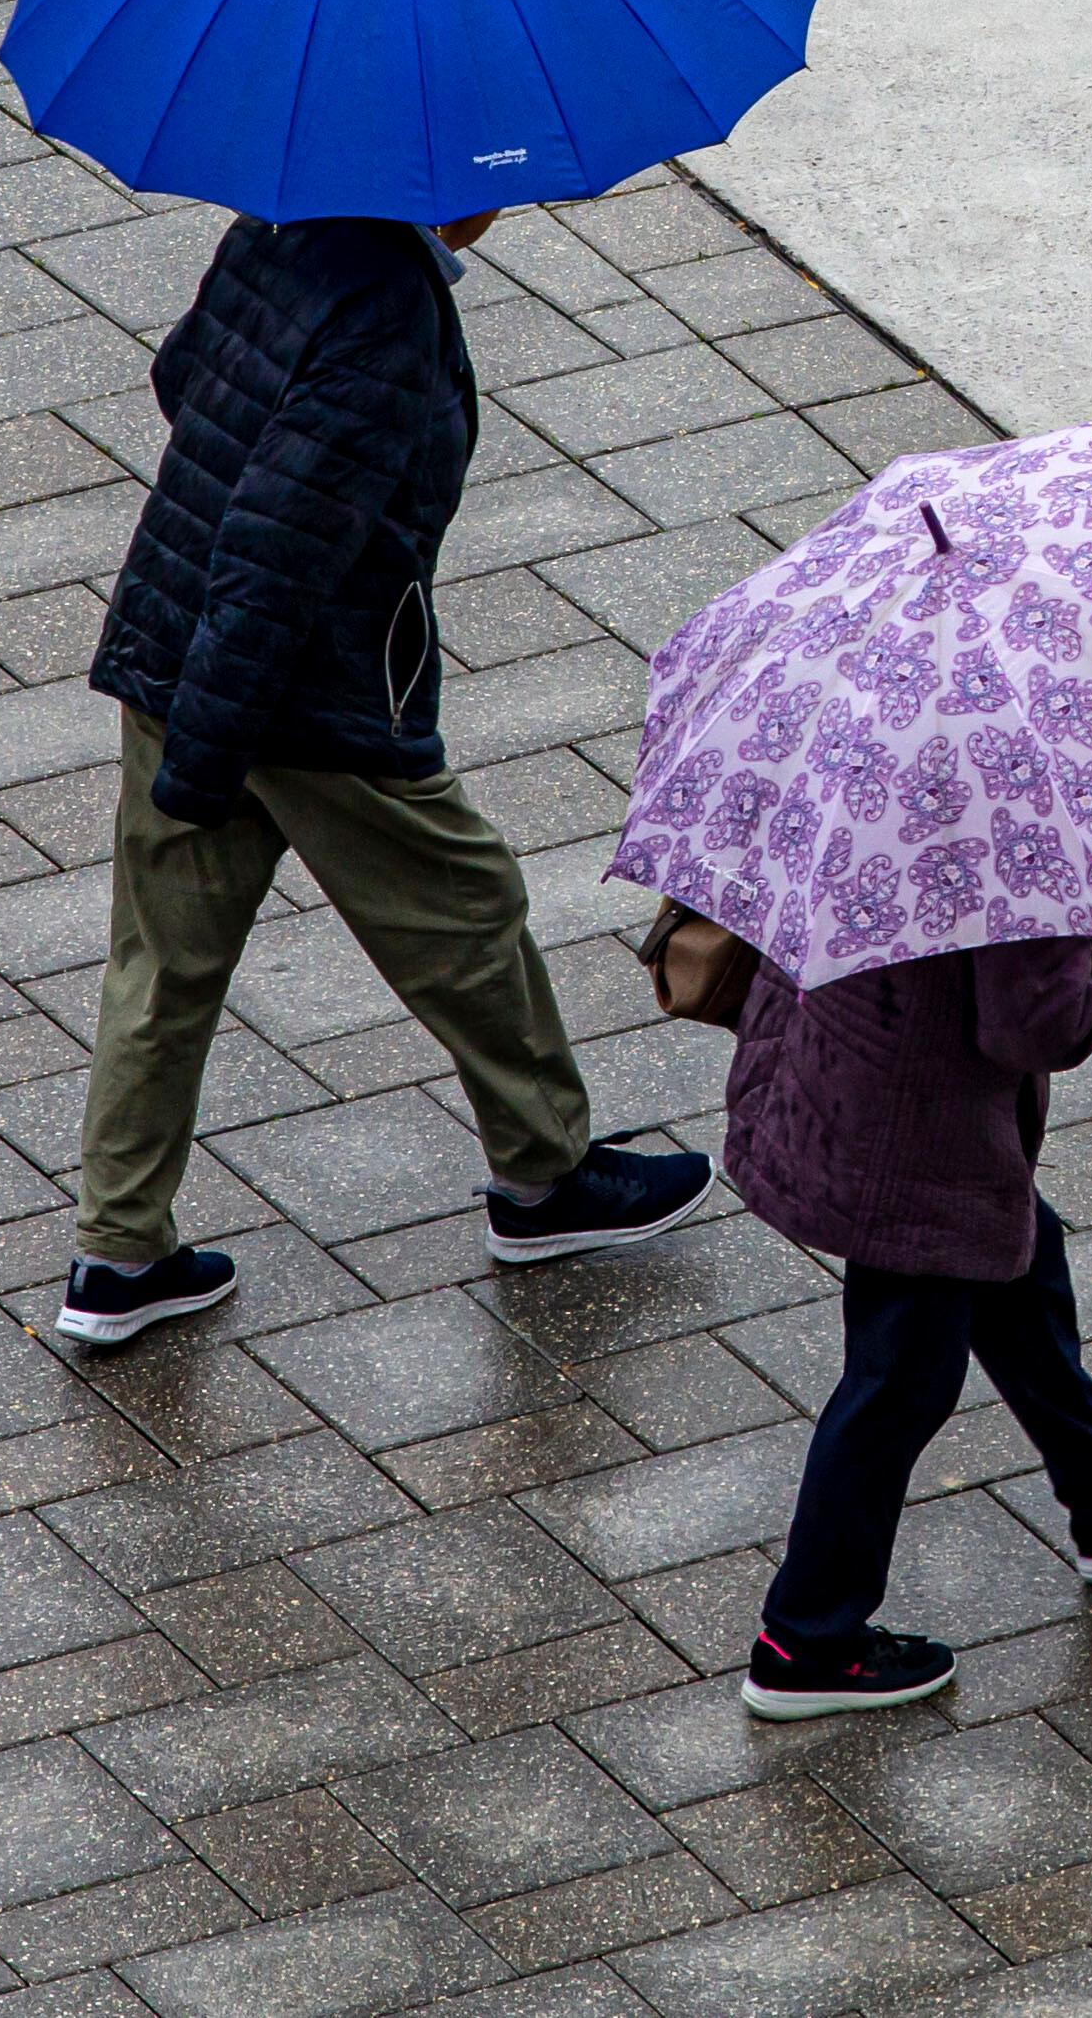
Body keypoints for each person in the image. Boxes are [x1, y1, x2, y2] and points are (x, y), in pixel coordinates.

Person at [58, 209, 711, 1345]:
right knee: (469, 910)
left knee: (161, 962)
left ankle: (118, 1255)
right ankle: (545, 1177)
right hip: (296, 694)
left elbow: (183, 372)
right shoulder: (387, 312)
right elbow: (279, 550)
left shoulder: (280, 217)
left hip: (172, 647)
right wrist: (217, 751)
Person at [722, 925, 1092, 1716]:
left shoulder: (893, 803)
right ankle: (805, 1638)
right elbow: (1038, 1020)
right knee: (901, 1381)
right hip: (920, 1143)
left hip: (847, 1074)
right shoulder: (1013, 843)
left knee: (1017, 1263)